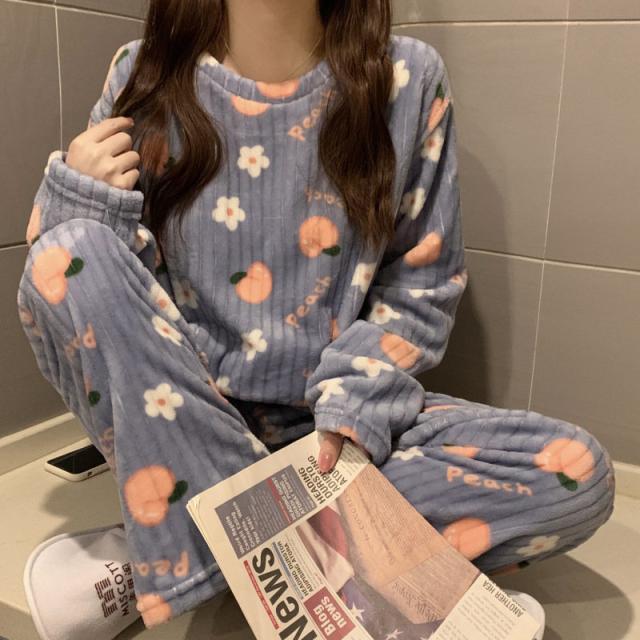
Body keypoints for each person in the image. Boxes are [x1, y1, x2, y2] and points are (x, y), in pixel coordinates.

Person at [17, 0, 614, 636]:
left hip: (329, 434)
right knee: (68, 252)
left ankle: (177, 550)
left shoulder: (406, 79)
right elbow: (85, 290)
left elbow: (422, 287)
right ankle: (262, 544)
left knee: (574, 472)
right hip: (185, 422)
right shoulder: (144, 73)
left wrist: (354, 408)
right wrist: (81, 195)